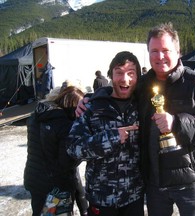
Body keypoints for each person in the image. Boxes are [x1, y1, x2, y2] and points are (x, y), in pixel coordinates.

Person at [75, 23, 195, 216]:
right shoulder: (143, 85)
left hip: (191, 182)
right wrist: (92, 97)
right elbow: (121, 88)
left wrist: (178, 123)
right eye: (154, 51)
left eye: (165, 50)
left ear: (178, 51)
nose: (159, 56)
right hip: (154, 182)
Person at [67, 51, 144, 216]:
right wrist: (112, 138)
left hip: (134, 196)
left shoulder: (143, 106)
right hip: (101, 198)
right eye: (119, 72)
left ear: (138, 77)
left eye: (131, 73)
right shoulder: (93, 107)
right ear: (110, 75)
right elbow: (74, 148)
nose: (125, 79)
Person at [24, 86, 88, 216]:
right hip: (55, 186)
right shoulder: (64, 125)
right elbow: (66, 162)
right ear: (73, 106)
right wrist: (81, 150)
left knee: (38, 212)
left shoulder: (37, 115)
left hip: (34, 178)